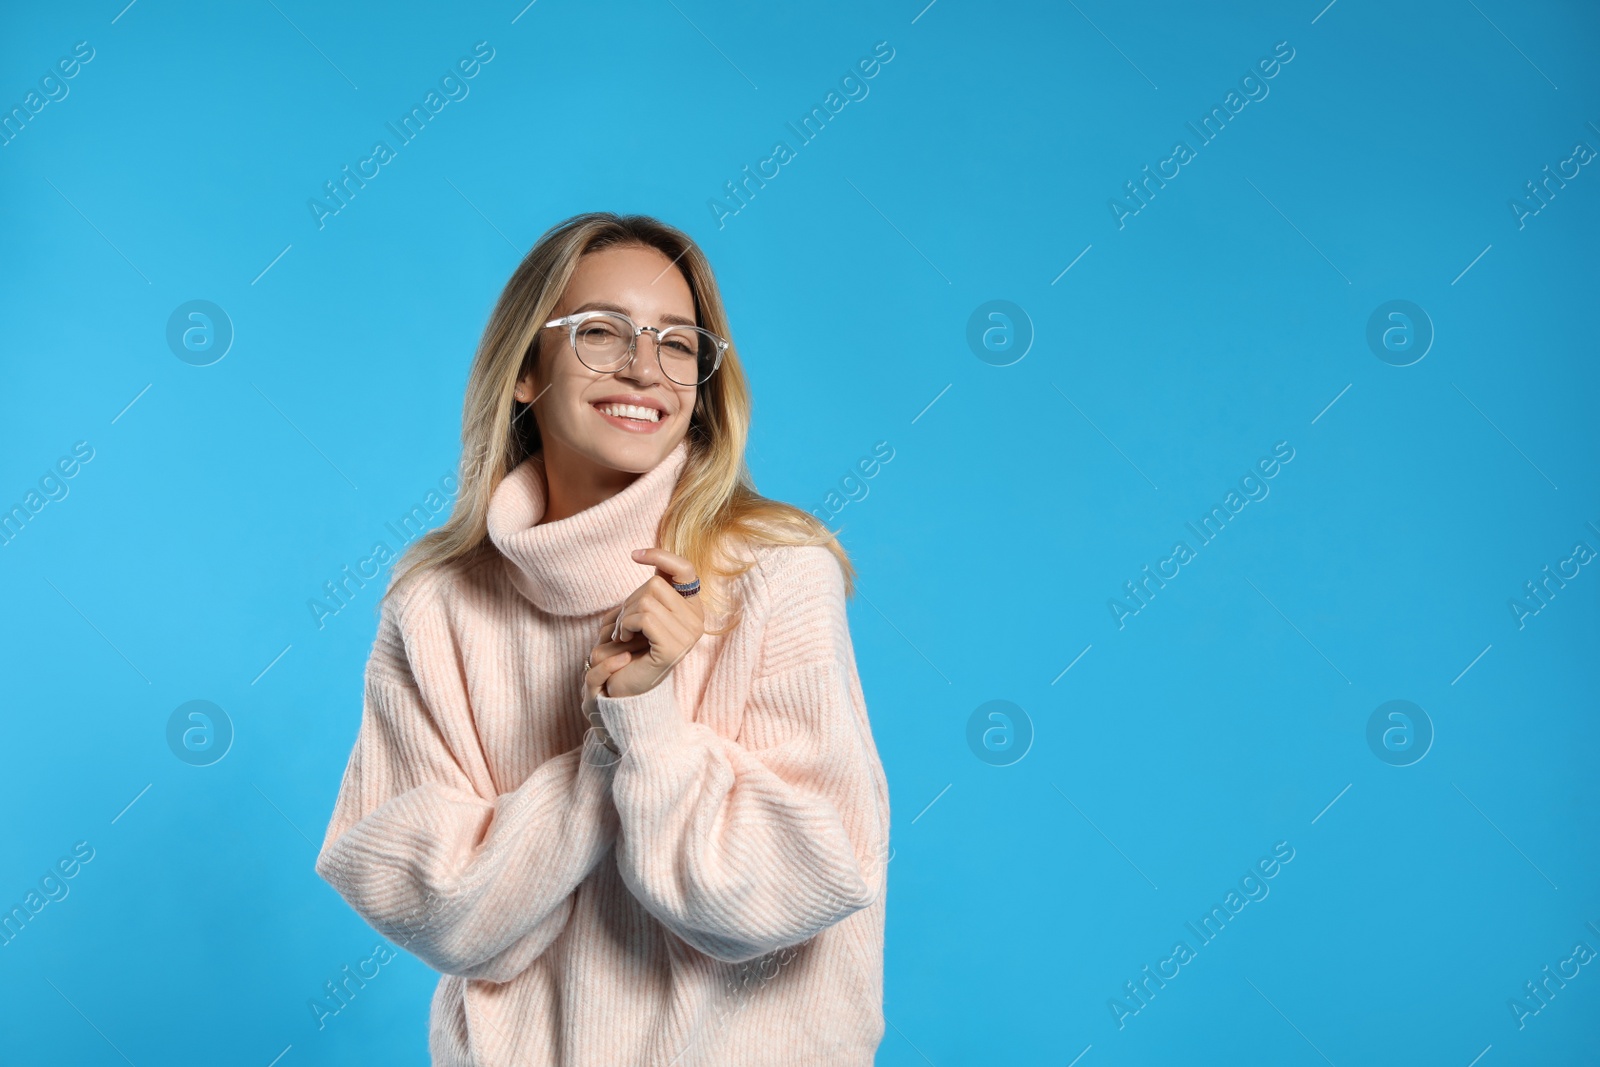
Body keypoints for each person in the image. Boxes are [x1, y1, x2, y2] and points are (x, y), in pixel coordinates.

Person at [314, 212, 890, 1066]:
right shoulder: (436, 604)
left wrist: (648, 724)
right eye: (599, 332)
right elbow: (440, 909)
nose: (643, 367)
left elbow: (794, 889)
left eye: (677, 343)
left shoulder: (776, 573)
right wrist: (606, 750)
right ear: (523, 370)